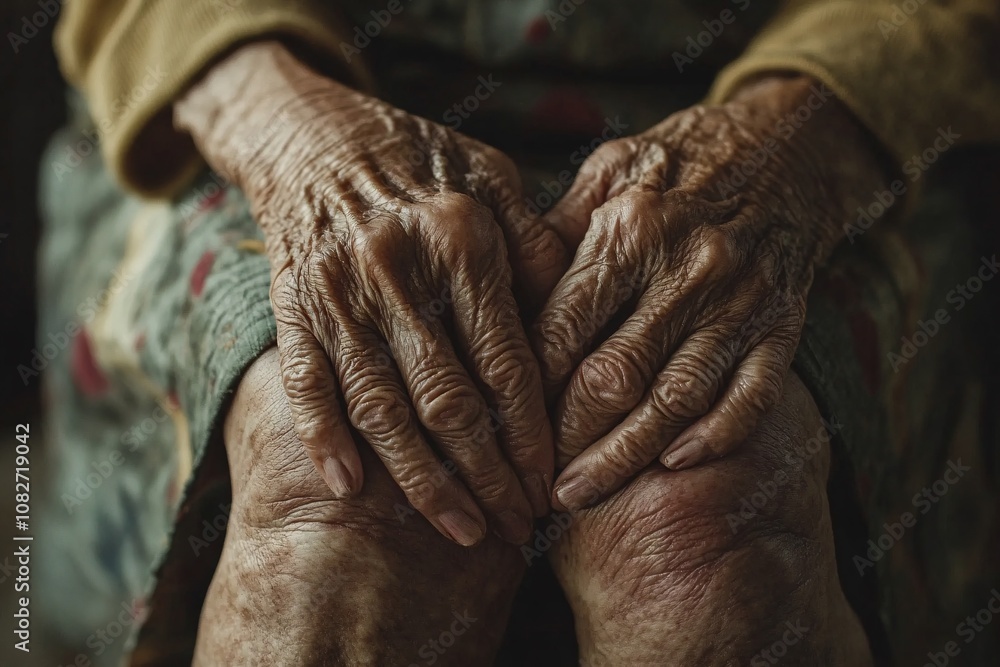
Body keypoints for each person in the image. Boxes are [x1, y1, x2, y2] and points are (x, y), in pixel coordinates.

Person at [32, 0, 999, 664]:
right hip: (267, 87)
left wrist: (797, 146)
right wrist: (285, 130)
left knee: (698, 519)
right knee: (336, 481)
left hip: (801, 107)